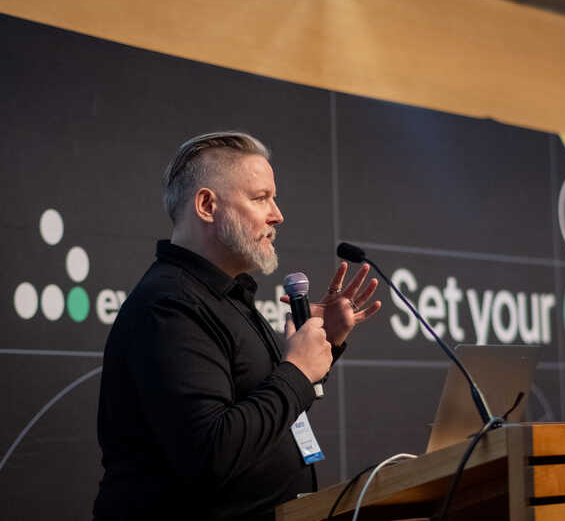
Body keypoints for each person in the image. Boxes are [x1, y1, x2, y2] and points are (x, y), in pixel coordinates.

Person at [93, 131, 381, 520]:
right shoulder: (169, 306)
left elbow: (267, 407)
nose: (277, 214)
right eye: (261, 198)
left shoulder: (226, 296)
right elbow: (212, 452)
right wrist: (296, 370)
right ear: (208, 205)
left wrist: (322, 346)